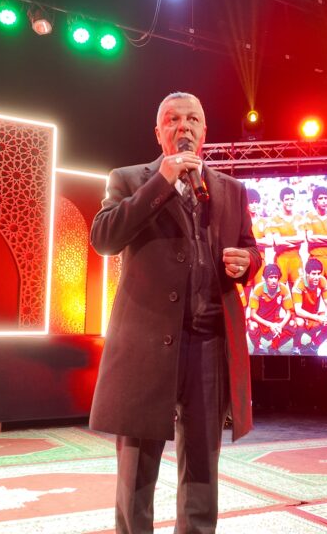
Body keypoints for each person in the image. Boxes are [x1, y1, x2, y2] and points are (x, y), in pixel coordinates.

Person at [89, 92, 261, 532]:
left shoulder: (230, 189)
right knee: (137, 471)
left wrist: (247, 262)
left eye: (192, 120)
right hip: (146, 345)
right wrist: (161, 183)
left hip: (208, 343)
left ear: (204, 132)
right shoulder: (130, 179)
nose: (183, 127)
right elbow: (104, 238)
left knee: (202, 466)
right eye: (172, 119)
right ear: (158, 132)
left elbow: (250, 247)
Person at [291, 257, 327, 355]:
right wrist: (317, 318)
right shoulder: (299, 284)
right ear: (307, 273)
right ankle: (296, 347)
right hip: (300, 316)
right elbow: (298, 310)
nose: (317, 277)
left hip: (313, 314)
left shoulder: (322, 280)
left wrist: (326, 317)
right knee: (299, 323)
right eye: (313, 274)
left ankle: (314, 344)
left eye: (319, 273)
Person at [247, 264, 295, 355]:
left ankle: (274, 347)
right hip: (261, 322)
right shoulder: (259, 289)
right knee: (252, 326)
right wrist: (270, 325)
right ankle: (258, 347)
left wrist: (280, 325)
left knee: (293, 324)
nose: (274, 281)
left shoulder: (283, 288)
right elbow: (253, 314)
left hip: (275, 321)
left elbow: (288, 312)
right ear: (265, 279)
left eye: (276, 277)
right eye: (271, 277)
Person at [303, 186, 327, 301]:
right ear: (315, 201)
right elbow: (310, 238)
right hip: (315, 258)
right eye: (320, 198)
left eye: (325, 198)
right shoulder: (309, 216)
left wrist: (317, 237)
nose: (324, 201)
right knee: (313, 291)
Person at [267, 187, 305, 288]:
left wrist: (284, 240)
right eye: (287, 199)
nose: (290, 202)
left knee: (297, 289)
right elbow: (278, 242)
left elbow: (302, 238)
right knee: (280, 290)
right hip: (281, 259)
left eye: (292, 199)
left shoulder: (299, 218)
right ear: (281, 201)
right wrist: (295, 241)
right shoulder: (275, 219)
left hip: (296, 259)